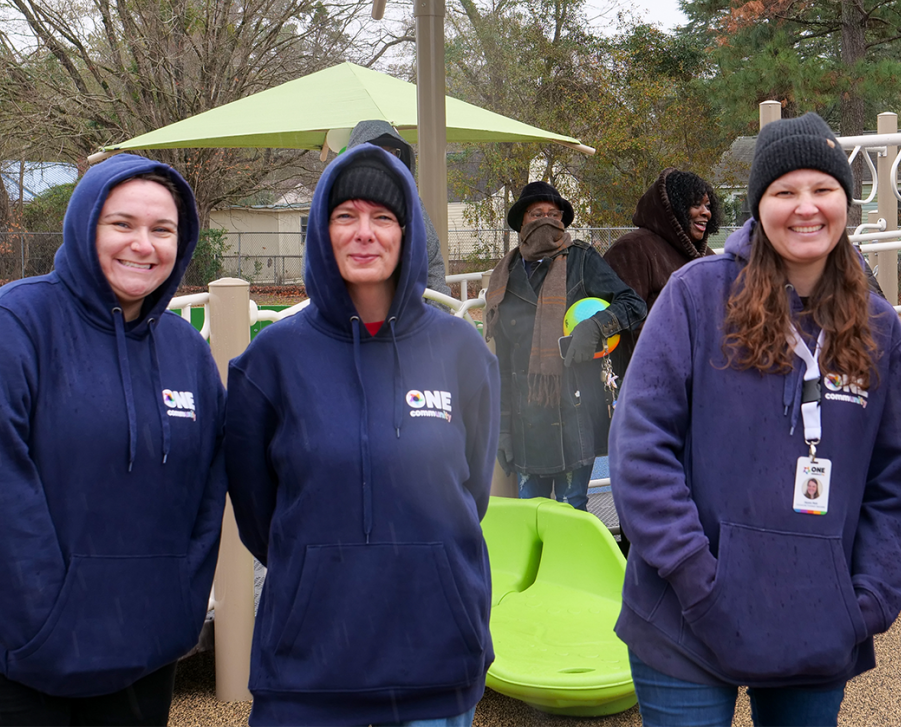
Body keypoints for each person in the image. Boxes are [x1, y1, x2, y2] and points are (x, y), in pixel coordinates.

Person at [610, 113, 901, 727]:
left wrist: (868, 600)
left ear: (846, 203)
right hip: (685, 618)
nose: (806, 208)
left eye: (823, 189)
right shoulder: (695, 295)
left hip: (817, 622)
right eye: (784, 191)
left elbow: (894, 477)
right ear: (758, 205)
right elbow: (642, 448)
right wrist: (699, 579)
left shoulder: (879, 328)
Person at [0, 155, 226, 726]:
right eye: (122, 224)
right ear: (85, 224)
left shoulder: (186, 352)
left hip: (142, 651)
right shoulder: (7, 331)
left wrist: (177, 605)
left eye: (162, 230)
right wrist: (46, 629)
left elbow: (207, 493)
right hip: (10, 657)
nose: (143, 245)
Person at [225, 145, 498, 727]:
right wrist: (323, 563)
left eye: (382, 217)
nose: (363, 233)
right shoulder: (270, 362)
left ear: (408, 232)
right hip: (310, 669)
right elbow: (258, 514)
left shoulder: (460, 350)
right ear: (322, 231)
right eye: (345, 215)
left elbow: (469, 493)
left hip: (436, 659)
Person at [484, 181, 646, 511]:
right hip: (526, 417)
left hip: (575, 412)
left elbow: (633, 303)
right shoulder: (505, 276)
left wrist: (597, 326)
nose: (546, 219)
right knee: (531, 510)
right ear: (521, 222)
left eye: (553, 214)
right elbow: (501, 362)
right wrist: (501, 429)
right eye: (536, 213)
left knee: (574, 508)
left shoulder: (582, 259)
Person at [603, 168, 719, 381]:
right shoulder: (633, 248)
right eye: (696, 205)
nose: (706, 213)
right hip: (650, 385)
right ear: (673, 208)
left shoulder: (709, 257)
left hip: (706, 381)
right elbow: (628, 322)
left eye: (708, 206)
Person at [346, 119, 452, 298]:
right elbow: (316, 268)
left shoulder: (412, 203)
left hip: (412, 317)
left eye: (393, 152)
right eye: (378, 152)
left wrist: (434, 311)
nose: (388, 159)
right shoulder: (336, 202)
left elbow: (433, 263)